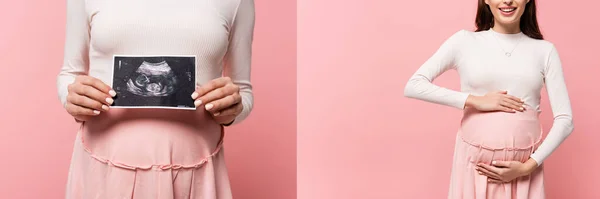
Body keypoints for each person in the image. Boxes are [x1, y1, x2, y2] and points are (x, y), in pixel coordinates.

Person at [56, 0, 255, 198]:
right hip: (104, 165)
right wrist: (71, 96)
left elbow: (243, 91)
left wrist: (231, 109)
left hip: (194, 169)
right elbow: (70, 74)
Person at [403, 0, 573, 198]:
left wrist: (527, 167)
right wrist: (474, 100)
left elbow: (565, 120)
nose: (507, 1)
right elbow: (414, 85)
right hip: (473, 170)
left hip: (523, 176)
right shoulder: (464, 42)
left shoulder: (545, 51)